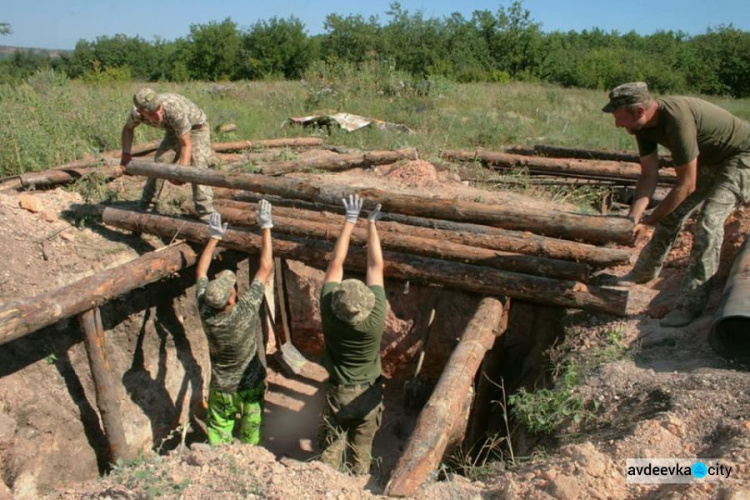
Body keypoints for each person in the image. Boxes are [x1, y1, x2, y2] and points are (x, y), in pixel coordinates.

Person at [603, 81, 750, 327]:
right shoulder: (641, 127)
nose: (618, 125)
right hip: (712, 159)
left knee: (708, 222)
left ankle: (692, 304)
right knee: (672, 213)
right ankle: (643, 273)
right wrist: (634, 218)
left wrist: (649, 223)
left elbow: (686, 185)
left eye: (621, 118)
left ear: (640, 111)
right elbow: (649, 175)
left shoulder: (676, 120)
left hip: (743, 157)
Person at [318, 194, 388, 475]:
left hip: (338, 393)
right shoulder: (374, 320)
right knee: (361, 455)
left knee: (329, 451)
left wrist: (348, 220)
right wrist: (370, 224)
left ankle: (327, 487)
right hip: (369, 396)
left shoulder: (328, 310)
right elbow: (375, 266)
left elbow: (336, 261)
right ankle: (358, 486)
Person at [195, 200, 274, 445]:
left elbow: (200, 273)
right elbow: (266, 266)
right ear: (231, 299)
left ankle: (221, 462)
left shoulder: (205, 311)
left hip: (220, 389)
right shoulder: (245, 311)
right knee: (251, 434)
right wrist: (266, 226)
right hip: (249, 386)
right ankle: (249, 459)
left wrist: (214, 238)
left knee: (218, 434)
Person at [120, 88, 215, 220]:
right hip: (173, 130)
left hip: (197, 127)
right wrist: (125, 155)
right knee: (159, 165)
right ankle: (146, 207)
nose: (158, 115)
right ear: (141, 111)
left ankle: (206, 215)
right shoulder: (136, 113)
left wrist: (182, 172)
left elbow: (186, 144)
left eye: (159, 109)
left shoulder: (173, 109)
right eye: (152, 113)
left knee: (198, 169)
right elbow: (128, 129)